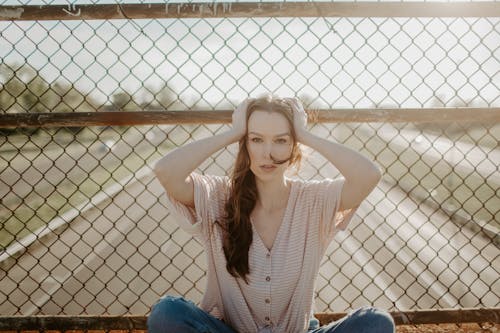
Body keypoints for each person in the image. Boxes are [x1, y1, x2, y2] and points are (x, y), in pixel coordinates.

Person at [149, 95, 395, 333]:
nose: (268, 153)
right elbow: (166, 171)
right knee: (167, 313)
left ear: (294, 146)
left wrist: (306, 135)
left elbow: (368, 175)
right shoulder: (219, 195)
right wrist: (233, 133)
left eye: (280, 140)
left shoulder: (314, 199)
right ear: (245, 145)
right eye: (256, 140)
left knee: (376, 322)